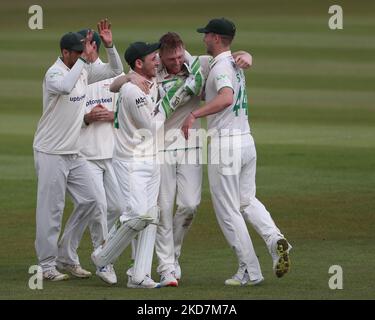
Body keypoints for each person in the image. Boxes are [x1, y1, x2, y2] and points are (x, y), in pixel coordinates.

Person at [110, 34, 253, 287]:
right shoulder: (153, 72)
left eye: (179, 56)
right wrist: (129, 76)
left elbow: (228, 60)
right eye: (170, 59)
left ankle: (173, 255)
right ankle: (166, 268)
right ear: (161, 57)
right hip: (161, 148)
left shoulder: (201, 64)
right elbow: (114, 85)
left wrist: (246, 56)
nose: (176, 62)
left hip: (191, 145)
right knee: (164, 209)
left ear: (184, 51)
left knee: (189, 205)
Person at [182, 18, 291, 286]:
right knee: (246, 201)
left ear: (216, 38)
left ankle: (249, 271)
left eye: (206, 34)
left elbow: (226, 97)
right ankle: (275, 239)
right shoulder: (233, 62)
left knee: (228, 211)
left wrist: (195, 113)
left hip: (226, 145)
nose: (203, 38)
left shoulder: (221, 66)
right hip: (246, 141)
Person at [33, 19, 123, 281]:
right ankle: (47, 265)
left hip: (74, 152)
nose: (82, 57)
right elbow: (64, 87)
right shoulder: (55, 73)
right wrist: (84, 60)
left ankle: (65, 255)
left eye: (82, 52)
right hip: (50, 151)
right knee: (51, 209)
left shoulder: (81, 69)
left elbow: (115, 70)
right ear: (65, 53)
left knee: (93, 200)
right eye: (77, 53)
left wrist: (110, 46)